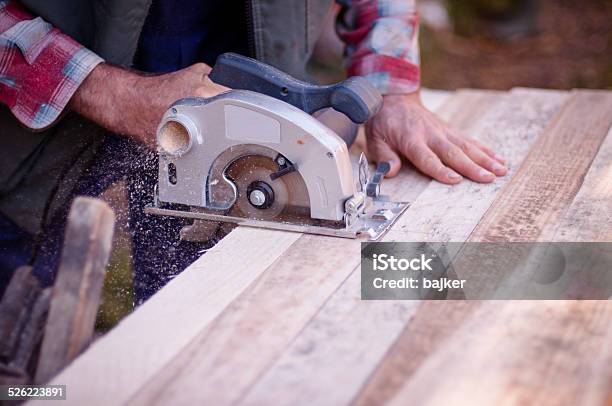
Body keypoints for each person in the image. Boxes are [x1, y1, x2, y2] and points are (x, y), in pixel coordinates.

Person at [0, 0, 507, 302]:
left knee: (200, 319)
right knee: (30, 343)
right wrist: (109, 92)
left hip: (238, 101)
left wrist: (390, 85)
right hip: (36, 110)